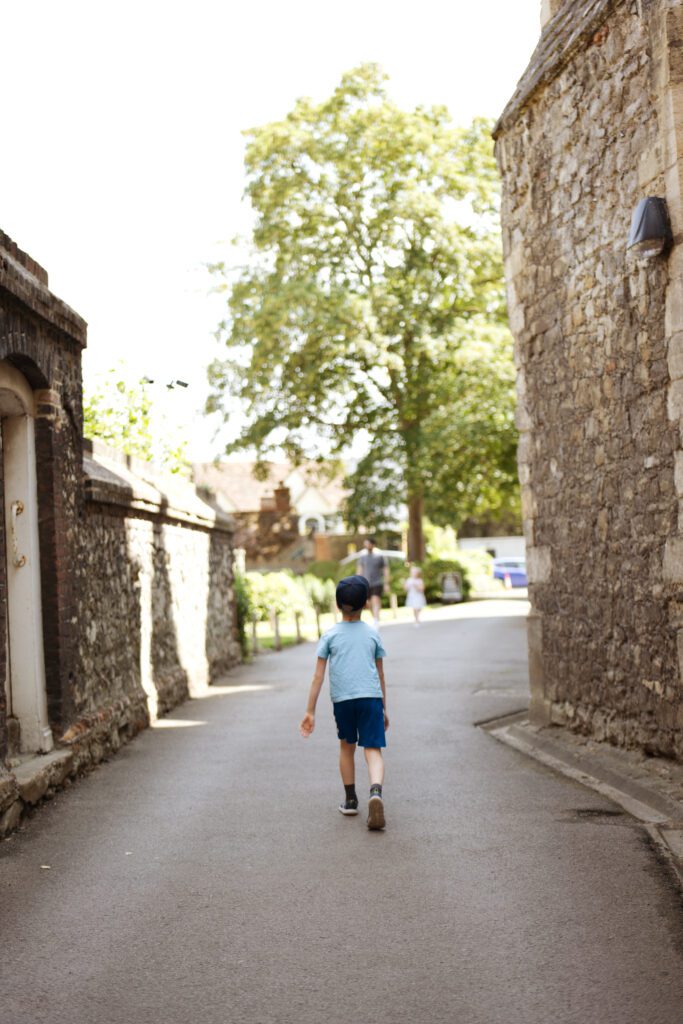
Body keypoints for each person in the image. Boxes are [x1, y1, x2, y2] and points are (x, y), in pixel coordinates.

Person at [300, 574, 389, 830]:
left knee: (346, 747)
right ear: (366, 604)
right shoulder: (372, 635)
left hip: (343, 701)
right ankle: (376, 792)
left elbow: (318, 676)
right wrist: (384, 708)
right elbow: (380, 674)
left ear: (338, 605)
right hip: (371, 698)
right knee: (372, 749)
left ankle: (351, 801)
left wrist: (310, 711)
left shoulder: (329, 636)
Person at [357, 537, 390, 627]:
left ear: (372, 544)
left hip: (377, 582)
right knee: (369, 604)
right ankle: (375, 618)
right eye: (365, 544)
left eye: (367, 544)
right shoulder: (362, 556)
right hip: (366, 583)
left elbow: (385, 569)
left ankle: (376, 620)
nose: (366, 546)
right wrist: (357, 581)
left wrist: (387, 583)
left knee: (375, 600)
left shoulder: (380, 555)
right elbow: (360, 569)